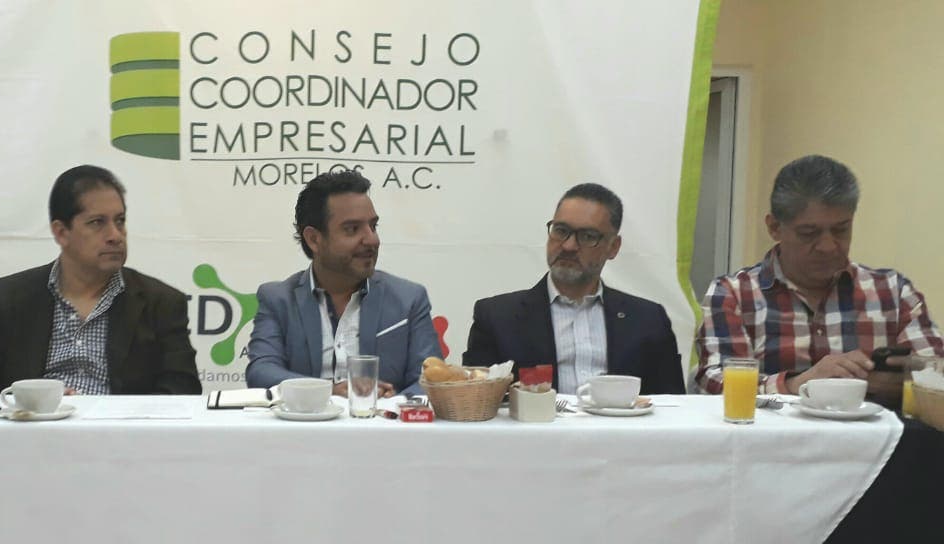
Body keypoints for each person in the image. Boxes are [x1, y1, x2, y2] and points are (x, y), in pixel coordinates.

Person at [695, 155, 943, 401]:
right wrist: (796, 384)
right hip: (774, 428)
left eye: (841, 230)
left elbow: (937, 374)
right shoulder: (734, 295)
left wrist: (908, 383)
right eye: (808, 233)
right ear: (774, 227)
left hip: (875, 427)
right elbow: (714, 385)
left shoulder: (892, 292)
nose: (827, 246)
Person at [0, 165, 200, 395]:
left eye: (120, 221)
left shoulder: (161, 302)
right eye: (97, 223)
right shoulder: (7, 298)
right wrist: (30, 402)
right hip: (32, 423)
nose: (115, 236)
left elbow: (182, 391)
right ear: (61, 232)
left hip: (120, 425)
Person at [463, 183, 685, 394]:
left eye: (588, 236)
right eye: (561, 231)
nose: (569, 245)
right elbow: (476, 403)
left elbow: (674, 407)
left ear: (613, 247)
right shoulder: (497, 318)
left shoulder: (648, 320)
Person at [246, 170, 441, 397]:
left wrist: (388, 405)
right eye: (352, 229)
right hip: (305, 419)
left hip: (384, 419)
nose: (372, 239)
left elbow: (429, 381)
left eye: (373, 226)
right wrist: (328, 391)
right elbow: (262, 372)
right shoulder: (278, 299)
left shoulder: (409, 299)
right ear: (314, 239)